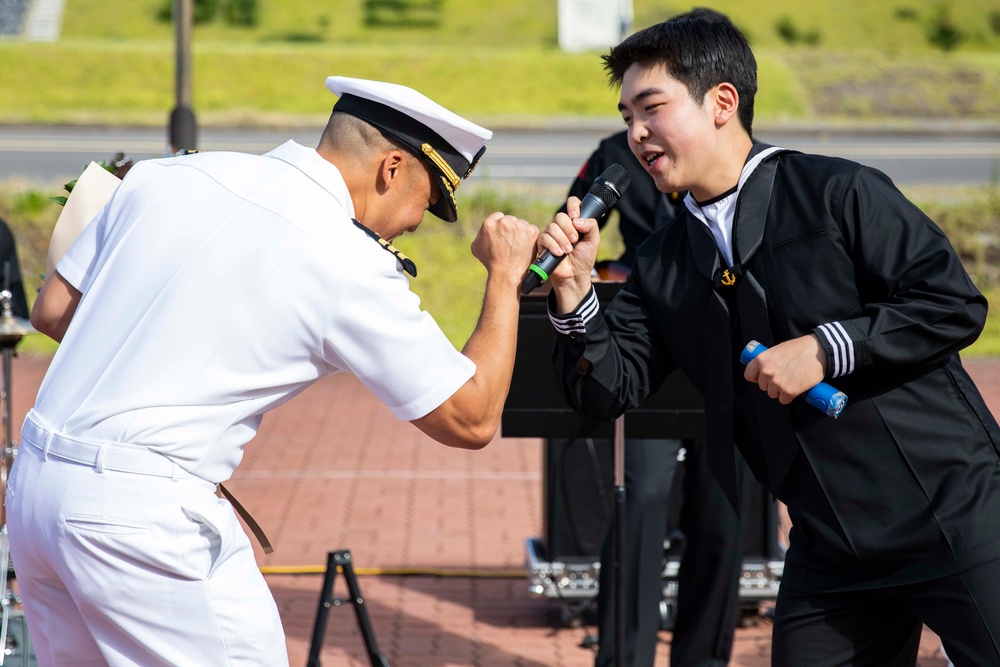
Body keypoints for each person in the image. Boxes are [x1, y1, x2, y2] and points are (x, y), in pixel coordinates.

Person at [6, 76, 539, 667]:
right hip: (140, 519)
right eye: (426, 202)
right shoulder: (344, 257)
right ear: (391, 169)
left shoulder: (170, 175)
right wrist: (505, 279)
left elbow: (53, 313)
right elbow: (470, 417)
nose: (414, 223)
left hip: (37, 490)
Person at [539, 16, 1000, 667]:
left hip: (956, 516)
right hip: (830, 551)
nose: (635, 133)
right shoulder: (665, 259)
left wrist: (826, 347)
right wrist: (574, 294)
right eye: (626, 115)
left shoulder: (836, 193)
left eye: (652, 108)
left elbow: (951, 303)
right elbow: (604, 389)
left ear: (722, 102)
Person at [558, 128, 748, 667]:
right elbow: (571, 228)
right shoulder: (615, 155)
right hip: (647, 348)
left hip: (725, 358)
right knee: (641, 498)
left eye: (654, 104)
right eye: (631, 109)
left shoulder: (738, 160)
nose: (641, 124)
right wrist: (610, 270)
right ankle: (625, 656)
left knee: (723, 516)